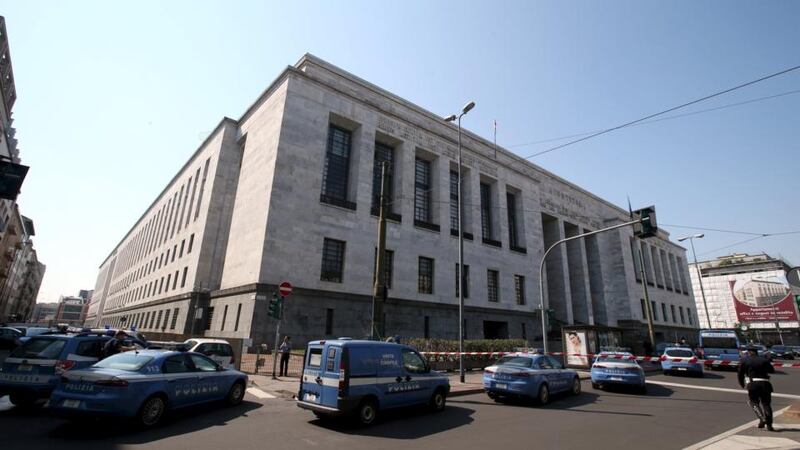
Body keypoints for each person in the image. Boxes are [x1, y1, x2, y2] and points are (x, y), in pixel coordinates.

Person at [738, 345, 776, 431]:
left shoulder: (744, 360)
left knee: (753, 402)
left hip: (753, 384)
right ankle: (769, 426)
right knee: (766, 404)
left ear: (748, 352)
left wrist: (741, 384)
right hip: (765, 383)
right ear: (757, 352)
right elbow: (772, 370)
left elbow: (740, 373)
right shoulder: (764, 360)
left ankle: (762, 418)